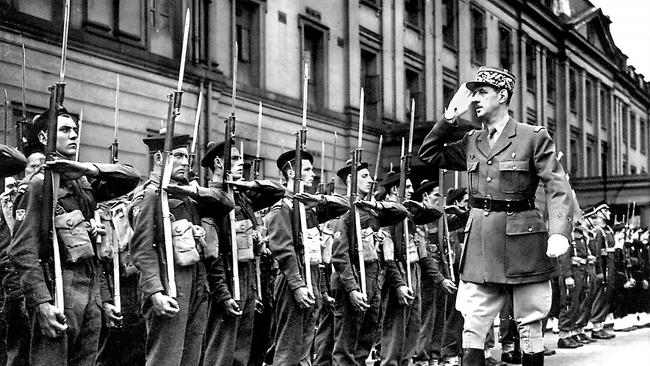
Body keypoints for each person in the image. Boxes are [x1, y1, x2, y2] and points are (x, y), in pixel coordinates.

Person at [419, 66, 573, 366]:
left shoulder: (532, 137)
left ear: (502, 95)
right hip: (480, 242)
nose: (474, 100)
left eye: (481, 93)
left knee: (529, 324)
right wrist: (449, 118)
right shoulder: (471, 141)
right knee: (473, 325)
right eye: (472, 93)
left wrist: (558, 231)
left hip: (523, 242)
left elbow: (557, 185)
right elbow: (428, 155)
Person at [8, 108, 140, 366]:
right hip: (58, 288)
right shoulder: (39, 185)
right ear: (45, 137)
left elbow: (131, 177)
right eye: (65, 130)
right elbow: (22, 251)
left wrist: (84, 168)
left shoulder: (82, 184)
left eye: (75, 131)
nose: (74, 136)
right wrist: (42, 303)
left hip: (89, 292)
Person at [129, 133, 234, 366]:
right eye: (178, 155)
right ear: (159, 158)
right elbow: (142, 249)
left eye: (187, 157)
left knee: (190, 357)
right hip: (169, 283)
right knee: (166, 359)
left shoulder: (184, 194)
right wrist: (155, 291)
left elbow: (227, 203)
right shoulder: (149, 195)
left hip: (196, 283)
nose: (186, 162)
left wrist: (193, 192)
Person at [199, 141, 284, 366]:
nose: (241, 163)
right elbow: (212, 256)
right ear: (218, 162)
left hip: (246, 280)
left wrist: (244, 184)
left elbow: (277, 191)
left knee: (241, 352)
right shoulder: (210, 198)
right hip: (226, 281)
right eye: (235, 159)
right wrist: (223, 294)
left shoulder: (242, 197)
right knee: (221, 352)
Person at [265, 149, 348, 365]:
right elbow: (284, 251)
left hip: (310, 279)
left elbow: (343, 205)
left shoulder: (308, 208)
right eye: (308, 169)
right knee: (289, 348)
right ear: (292, 173)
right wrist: (298, 285)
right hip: (293, 281)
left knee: (304, 347)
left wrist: (317, 199)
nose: (313, 174)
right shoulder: (281, 208)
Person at [329, 161, 408, 365]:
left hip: (372, 282)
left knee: (364, 343)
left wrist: (374, 205)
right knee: (346, 346)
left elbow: (401, 212)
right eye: (364, 176)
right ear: (350, 180)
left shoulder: (371, 211)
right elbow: (339, 255)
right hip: (352, 282)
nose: (371, 180)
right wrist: (352, 288)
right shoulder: (343, 211)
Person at [378, 172, 456, 366]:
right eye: (409, 187)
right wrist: (399, 284)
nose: (412, 191)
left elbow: (424, 254)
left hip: (414, 274)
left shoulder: (410, 217)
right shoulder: (387, 217)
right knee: (395, 332)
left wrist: (441, 279)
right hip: (397, 274)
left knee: (412, 330)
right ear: (396, 189)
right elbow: (388, 259)